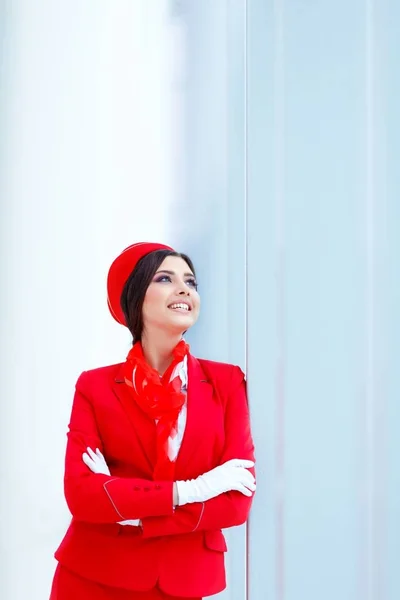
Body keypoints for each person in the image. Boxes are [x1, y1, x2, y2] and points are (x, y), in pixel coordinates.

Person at [50, 241, 256, 600]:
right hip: (93, 576)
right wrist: (192, 489)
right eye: (165, 278)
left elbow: (237, 500)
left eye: (190, 282)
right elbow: (82, 495)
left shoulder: (227, 383)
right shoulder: (95, 387)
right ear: (135, 298)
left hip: (185, 580)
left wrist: (131, 511)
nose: (183, 289)